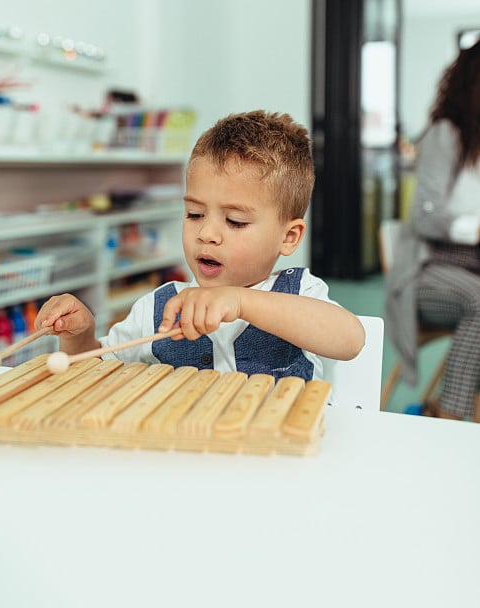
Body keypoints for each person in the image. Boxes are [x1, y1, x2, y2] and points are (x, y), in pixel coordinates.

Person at [35, 110, 364, 386]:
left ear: (288, 237)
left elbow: (349, 339)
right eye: (194, 214)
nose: (207, 233)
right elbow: (95, 372)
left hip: (282, 460)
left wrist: (240, 301)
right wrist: (81, 336)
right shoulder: (159, 308)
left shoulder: (299, 293)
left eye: (234, 221)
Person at [385, 40, 480, 421]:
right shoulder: (445, 135)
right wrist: (475, 228)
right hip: (426, 272)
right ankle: (448, 415)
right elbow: (425, 216)